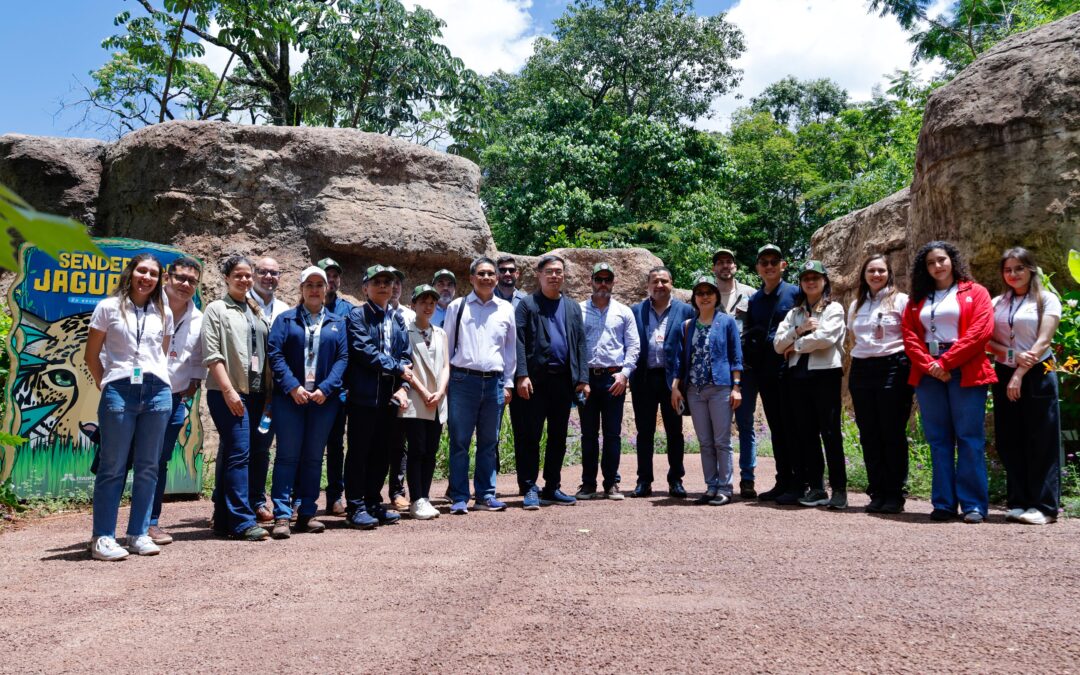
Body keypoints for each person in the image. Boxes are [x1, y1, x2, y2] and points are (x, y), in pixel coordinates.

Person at [84, 254, 174, 560]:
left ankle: (137, 533)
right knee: (113, 467)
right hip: (120, 390)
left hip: (158, 391)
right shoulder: (108, 307)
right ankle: (103, 538)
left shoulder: (163, 311)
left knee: (149, 466)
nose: (146, 277)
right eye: (142, 271)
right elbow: (91, 356)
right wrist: (108, 384)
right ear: (131, 272)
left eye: (153, 273)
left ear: (158, 279)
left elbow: (160, 353)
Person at [901, 241, 996, 524]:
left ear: (952, 260)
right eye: (930, 263)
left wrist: (945, 362)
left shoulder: (975, 292)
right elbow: (909, 335)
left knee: (969, 438)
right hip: (928, 372)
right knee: (939, 440)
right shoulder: (917, 298)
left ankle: (973, 505)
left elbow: (981, 331)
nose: (937, 266)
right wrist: (930, 365)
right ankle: (943, 503)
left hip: (965, 367)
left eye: (941, 260)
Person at [266, 266, 349, 538]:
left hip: (323, 401)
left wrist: (326, 388)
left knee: (314, 458)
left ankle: (307, 513)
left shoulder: (337, 322)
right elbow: (275, 355)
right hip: (290, 400)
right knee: (288, 456)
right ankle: (281, 514)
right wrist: (292, 387)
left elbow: (342, 359)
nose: (314, 289)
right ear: (301, 289)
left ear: (326, 289)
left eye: (319, 284)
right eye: (309, 284)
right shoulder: (286, 320)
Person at [987, 247, 1062, 525]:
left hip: (1038, 371)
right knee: (1009, 438)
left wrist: (1020, 371)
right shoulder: (998, 303)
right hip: (1005, 369)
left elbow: (1044, 341)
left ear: (1031, 269)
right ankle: (1019, 501)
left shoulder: (1046, 299)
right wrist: (1011, 358)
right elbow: (987, 341)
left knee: (1041, 438)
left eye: (1019, 268)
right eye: (1008, 269)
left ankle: (1044, 507)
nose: (1013, 274)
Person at [202, 255, 271, 541]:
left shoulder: (255, 309)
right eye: (238, 275)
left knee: (238, 453)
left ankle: (223, 518)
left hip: (256, 393)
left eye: (248, 276)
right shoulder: (216, 309)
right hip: (228, 393)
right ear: (227, 277)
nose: (244, 280)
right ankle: (242, 521)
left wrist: (268, 394)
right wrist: (230, 391)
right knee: (239, 454)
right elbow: (213, 355)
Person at [515, 254, 589, 508]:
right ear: (539, 274)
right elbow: (519, 341)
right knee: (530, 437)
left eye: (558, 271)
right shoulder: (527, 305)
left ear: (564, 275)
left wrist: (582, 378)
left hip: (563, 382)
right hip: (534, 382)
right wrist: (521, 375)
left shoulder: (572, 307)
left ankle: (552, 487)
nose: (554, 276)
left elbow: (580, 342)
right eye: (549, 272)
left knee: (558, 436)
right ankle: (529, 487)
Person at [444, 257, 517, 514]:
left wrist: (508, 383)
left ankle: (486, 495)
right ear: (472, 278)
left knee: (489, 442)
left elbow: (510, 350)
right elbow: (447, 347)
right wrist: (446, 382)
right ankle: (459, 496)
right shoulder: (457, 307)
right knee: (460, 441)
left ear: (497, 279)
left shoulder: (506, 309)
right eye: (481, 274)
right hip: (463, 381)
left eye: (490, 274)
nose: (486, 278)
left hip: (495, 383)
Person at [343, 264, 413, 529]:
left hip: (389, 396)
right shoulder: (357, 315)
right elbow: (364, 351)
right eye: (377, 281)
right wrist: (398, 368)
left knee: (382, 453)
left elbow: (406, 355)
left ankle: (373, 502)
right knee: (359, 452)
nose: (383, 285)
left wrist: (402, 387)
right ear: (365, 288)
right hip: (364, 396)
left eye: (388, 281)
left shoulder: (397, 319)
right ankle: (356, 506)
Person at [774, 261, 848, 510]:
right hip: (798, 378)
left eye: (816, 277)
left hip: (825, 375)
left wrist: (794, 345)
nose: (811, 281)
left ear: (825, 281)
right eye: (806, 278)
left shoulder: (834, 308)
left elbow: (826, 337)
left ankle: (839, 489)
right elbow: (776, 344)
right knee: (806, 434)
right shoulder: (794, 313)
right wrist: (800, 329)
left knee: (830, 433)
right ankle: (816, 487)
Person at [847, 254, 913, 514]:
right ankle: (877, 491)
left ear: (889, 273)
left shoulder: (901, 300)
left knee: (892, 432)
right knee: (869, 433)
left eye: (881, 271)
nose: (876, 275)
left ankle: (895, 493)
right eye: (871, 271)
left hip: (893, 366)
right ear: (864, 274)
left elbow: (910, 335)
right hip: (862, 368)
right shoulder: (856, 305)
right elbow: (854, 338)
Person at [148, 256, 206, 546]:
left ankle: (151, 522)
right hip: (141, 394)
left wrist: (193, 385)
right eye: (180, 278)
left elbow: (197, 357)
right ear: (168, 277)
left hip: (173, 398)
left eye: (192, 281)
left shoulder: (198, 318)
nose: (185, 284)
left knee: (159, 461)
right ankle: (106, 527)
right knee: (119, 461)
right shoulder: (145, 306)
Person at [670, 275, 743, 506]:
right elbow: (681, 361)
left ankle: (725, 488)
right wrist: (675, 388)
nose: (704, 297)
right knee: (705, 441)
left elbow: (735, 356)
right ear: (694, 298)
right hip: (695, 390)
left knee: (722, 441)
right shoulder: (688, 325)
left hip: (720, 387)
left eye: (709, 292)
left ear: (716, 296)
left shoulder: (727, 321)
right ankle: (711, 486)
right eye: (700, 293)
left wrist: (736, 387)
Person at [576, 263, 640, 501]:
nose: (603, 284)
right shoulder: (578, 310)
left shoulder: (624, 312)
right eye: (599, 279)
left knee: (612, 434)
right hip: (587, 380)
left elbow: (633, 346)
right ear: (590, 281)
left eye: (607, 280)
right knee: (588, 434)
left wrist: (625, 374)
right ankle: (588, 484)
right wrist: (580, 379)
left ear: (614, 283)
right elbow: (575, 346)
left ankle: (611, 483)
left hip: (614, 379)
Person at [629, 266, 695, 498]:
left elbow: (689, 346)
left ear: (671, 283)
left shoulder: (686, 310)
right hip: (644, 379)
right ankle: (643, 480)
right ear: (647, 285)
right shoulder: (636, 310)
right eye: (655, 281)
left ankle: (676, 479)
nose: (659, 285)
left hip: (673, 382)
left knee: (674, 431)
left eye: (664, 281)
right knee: (644, 432)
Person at [744, 245, 800, 504]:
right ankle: (783, 481)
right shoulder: (755, 299)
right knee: (777, 428)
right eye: (764, 262)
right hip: (765, 372)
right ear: (758, 268)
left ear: (783, 265)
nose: (769, 266)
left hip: (789, 370)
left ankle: (801, 482)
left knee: (793, 427)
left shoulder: (794, 293)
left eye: (774, 261)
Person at [713, 248, 759, 498]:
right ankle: (721, 479)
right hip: (716, 370)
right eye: (720, 262)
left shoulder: (750, 294)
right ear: (714, 269)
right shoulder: (706, 294)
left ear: (736, 267)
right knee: (718, 428)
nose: (725, 266)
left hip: (746, 370)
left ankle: (747, 479)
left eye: (729, 262)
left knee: (745, 424)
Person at [400, 284, 449, 520]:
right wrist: (423, 392)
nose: (428, 307)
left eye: (432, 303)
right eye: (423, 302)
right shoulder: (405, 331)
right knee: (417, 449)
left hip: (437, 400)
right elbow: (405, 368)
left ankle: (425, 497)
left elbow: (446, 366)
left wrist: (440, 392)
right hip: (415, 400)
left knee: (431, 450)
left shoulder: (440, 333)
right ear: (413, 305)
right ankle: (416, 499)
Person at [247, 256, 289, 524]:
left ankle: (257, 501)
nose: (268, 277)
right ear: (253, 274)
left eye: (274, 273)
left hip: (272, 391)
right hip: (244, 387)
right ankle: (223, 501)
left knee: (262, 446)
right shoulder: (241, 303)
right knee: (235, 447)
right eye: (263, 272)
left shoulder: (284, 309)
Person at [316, 257, 354, 516]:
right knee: (309, 445)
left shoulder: (347, 310)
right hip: (309, 390)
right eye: (325, 275)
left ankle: (334, 497)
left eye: (334, 275)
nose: (331, 280)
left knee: (336, 445)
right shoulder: (306, 307)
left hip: (338, 391)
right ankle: (301, 497)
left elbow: (350, 352)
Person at [494, 254, 530, 494]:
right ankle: (489, 483)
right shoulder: (486, 299)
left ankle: (525, 484)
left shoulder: (526, 302)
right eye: (503, 270)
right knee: (490, 433)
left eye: (511, 270)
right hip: (494, 375)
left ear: (517, 274)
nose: (507, 274)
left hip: (521, 376)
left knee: (524, 432)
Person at [387, 268, 414, 511]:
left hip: (403, 387)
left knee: (399, 443)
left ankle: (397, 491)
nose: (394, 287)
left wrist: (405, 385)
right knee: (370, 442)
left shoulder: (410, 316)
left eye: (397, 283)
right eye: (388, 282)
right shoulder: (365, 313)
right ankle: (366, 493)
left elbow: (411, 355)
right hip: (374, 386)